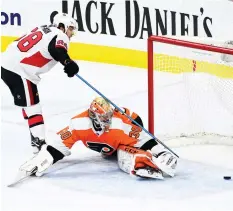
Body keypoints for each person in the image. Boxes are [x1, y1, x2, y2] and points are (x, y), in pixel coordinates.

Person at [19, 97, 178, 179]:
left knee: (125, 153)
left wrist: (161, 152)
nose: (107, 120)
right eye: (103, 117)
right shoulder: (79, 123)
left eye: (109, 116)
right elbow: (60, 145)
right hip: (107, 148)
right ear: (93, 116)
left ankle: (144, 162)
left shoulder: (119, 124)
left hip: (120, 143)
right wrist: (44, 158)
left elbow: (143, 139)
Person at [1, 13, 79, 154]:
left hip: (8, 65)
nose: (71, 33)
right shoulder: (60, 35)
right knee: (33, 107)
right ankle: (39, 144)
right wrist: (67, 62)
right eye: (70, 28)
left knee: (29, 104)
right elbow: (56, 49)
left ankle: (36, 138)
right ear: (62, 26)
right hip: (20, 71)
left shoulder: (43, 28)